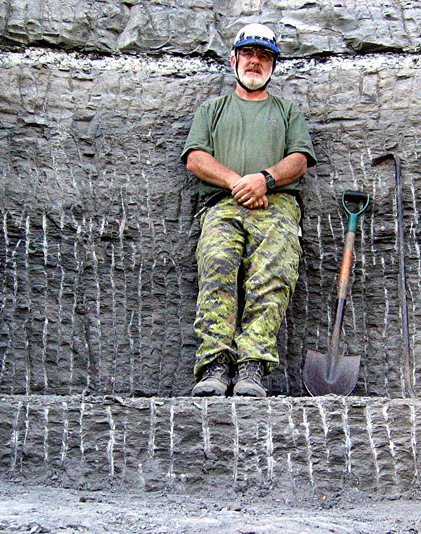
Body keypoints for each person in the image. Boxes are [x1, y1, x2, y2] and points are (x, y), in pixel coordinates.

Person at [181, 23, 317, 397]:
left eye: (264, 57)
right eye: (248, 54)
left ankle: (252, 367)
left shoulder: (287, 111)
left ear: (273, 65)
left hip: (277, 205)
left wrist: (265, 180)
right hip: (223, 205)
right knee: (216, 270)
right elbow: (195, 159)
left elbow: (300, 160)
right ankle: (214, 367)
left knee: (272, 277)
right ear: (234, 59)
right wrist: (240, 184)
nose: (255, 62)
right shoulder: (213, 109)